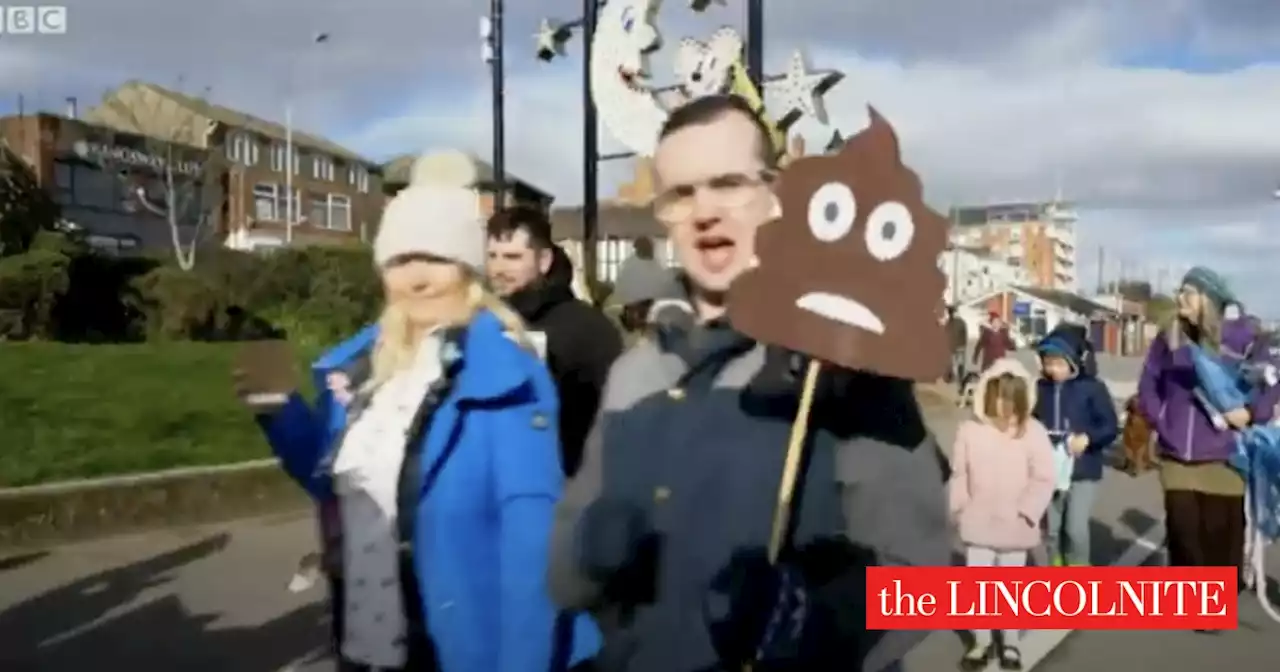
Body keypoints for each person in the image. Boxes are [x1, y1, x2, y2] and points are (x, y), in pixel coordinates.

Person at [546, 93, 950, 672]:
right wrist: (590, 549)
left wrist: (819, 620)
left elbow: (924, 576)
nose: (704, 210)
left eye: (729, 183)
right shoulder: (636, 372)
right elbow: (564, 576)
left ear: (775, 195)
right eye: (681, 194)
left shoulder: (841, 366)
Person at [235, 151, 599, 672]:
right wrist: (279, 409)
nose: (418, 277)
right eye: (402, 260)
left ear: (468, 269)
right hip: (366, 644)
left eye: (436, 258)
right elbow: (336, 481)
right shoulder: (362, 374)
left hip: (467, 650)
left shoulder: (506, 376)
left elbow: (532, 553)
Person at [1136, 268, 1280, 585]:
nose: (1179, 298)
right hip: (1176, 454)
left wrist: (1251, 413)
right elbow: (1149, 382)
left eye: (1188, 292)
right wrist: (1161, 417)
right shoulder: (1171, 336)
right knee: (1182, 532)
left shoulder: (1243, 337)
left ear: (1208, 298)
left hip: (1225, 455)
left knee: (1220, 535)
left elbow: (1271, 380)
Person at [487, 206, 624, 478]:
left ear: (544, 260)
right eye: (493, 256)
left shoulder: (587, 329)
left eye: (513, 257)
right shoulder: (486, 322)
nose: (499, 268)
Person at [949, 357, 1056, 671]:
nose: (1004, 404)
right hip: (978, 522)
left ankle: (1010, 641)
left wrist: (1027, 510)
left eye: (1012, 397)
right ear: (985, 393)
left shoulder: (1033, 432)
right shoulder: (970, 430)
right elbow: (959, 473)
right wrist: (959, 507)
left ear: (1023, 400)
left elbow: (1044, 476)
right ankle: (981, 641)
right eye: (998, 395)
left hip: (1015, 525)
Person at [1033, 333, 1119, 566]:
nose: (1053, 369)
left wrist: (1089, 438)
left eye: (1059, 363)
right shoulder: (1041, 388)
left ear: (1074, 363)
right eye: (1048, 363)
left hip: (1083, 470)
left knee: (1076, 529)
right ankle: (1056, 565)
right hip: (1049, 470)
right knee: (1051, 529)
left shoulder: (1092, 388)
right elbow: (1032, 422)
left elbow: (1110, 425)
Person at [945, 305, 969, 387]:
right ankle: (958, 377)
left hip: (957, 346)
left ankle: (955, 377)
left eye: (950, 312)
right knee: (957, 363)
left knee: (956, 363)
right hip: (957, 346)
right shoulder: (952, 322)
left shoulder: (951, 323)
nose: (950, 314)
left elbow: (964, 334)